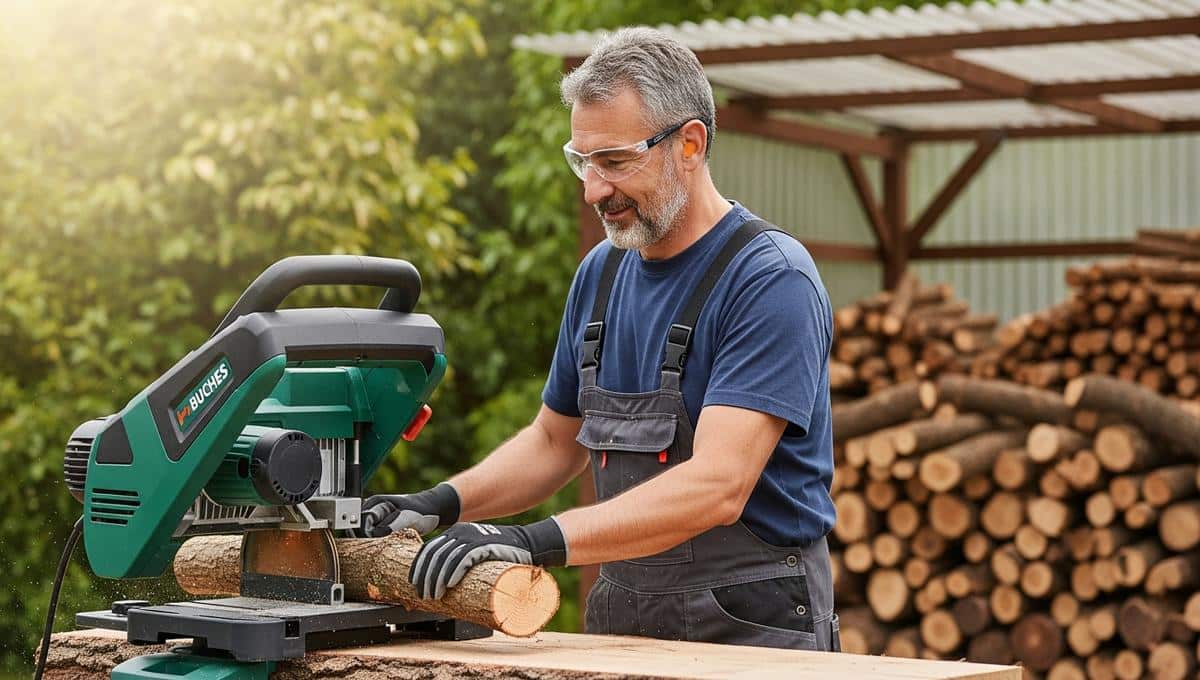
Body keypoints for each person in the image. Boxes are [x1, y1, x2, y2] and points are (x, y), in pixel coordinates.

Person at [362, 26, 839, 651]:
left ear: (689, 144)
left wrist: (532, 541)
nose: (594, 190)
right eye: (583, 162)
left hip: (753, 629)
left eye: (615, 162)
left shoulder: (769, 279)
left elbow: (719, 485)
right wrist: (440, 504)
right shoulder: (603, 273)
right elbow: (554, 443)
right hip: (624, 618)